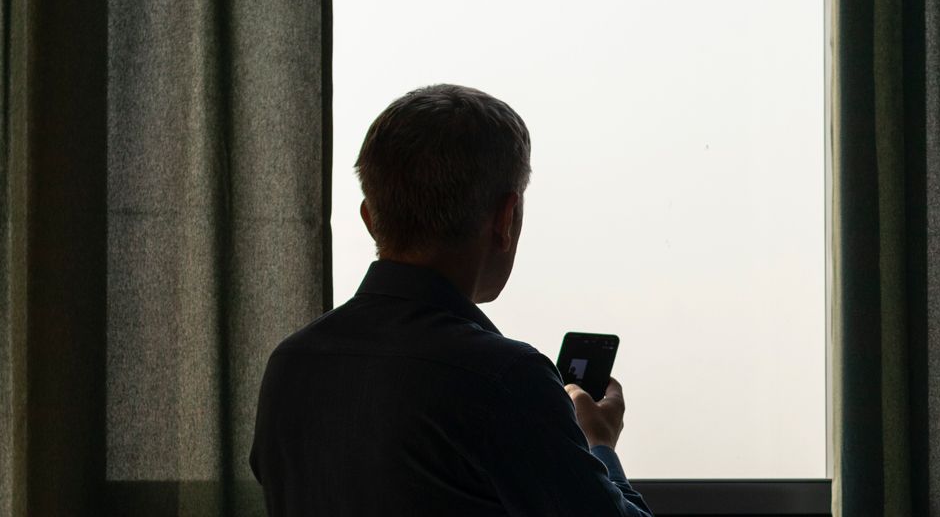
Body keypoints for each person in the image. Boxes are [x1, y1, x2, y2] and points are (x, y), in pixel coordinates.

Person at [249, 84, 653, 515]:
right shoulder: (505, 381)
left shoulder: (290, 366)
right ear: (505, 219)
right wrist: (598, 443)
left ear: (369, 219)